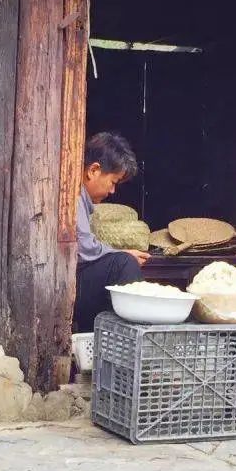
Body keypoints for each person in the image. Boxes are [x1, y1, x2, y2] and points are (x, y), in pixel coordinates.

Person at [73, 132, 150, 332]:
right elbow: (82, 248)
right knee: (124, 264)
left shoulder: (80, 196)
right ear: (94, 170)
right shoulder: (71, 194)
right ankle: (129, 341)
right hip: (62, 285)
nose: (113, 191)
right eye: (113, 182)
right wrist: (122, 255)